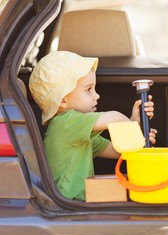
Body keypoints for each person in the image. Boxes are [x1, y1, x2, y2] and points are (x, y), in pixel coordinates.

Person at [29, 51, 157, 200]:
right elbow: (114, 118)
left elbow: (119, 152)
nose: (97, 96)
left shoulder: (79, 135)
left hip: (76, 203)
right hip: (69, 204)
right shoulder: (66, 123)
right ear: (63, 100)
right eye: (88, 90)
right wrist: (133, 130)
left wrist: (135, 124)